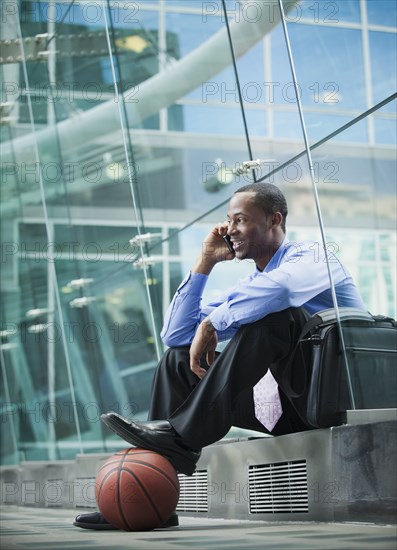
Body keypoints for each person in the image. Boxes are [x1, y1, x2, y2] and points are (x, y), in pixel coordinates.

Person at [74, 182, 365, 530]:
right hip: (279, 406)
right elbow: (177, 336)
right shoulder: (251, 284)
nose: (230, 229)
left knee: (277, 313)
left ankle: (179, 437)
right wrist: (205, 263)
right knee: (177, 359)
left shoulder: (314, 257)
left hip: (331, 398)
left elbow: (283, 291)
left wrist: (213, 323)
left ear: (274, 219)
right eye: (228, 220)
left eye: (240, 219)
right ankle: (144, 500)